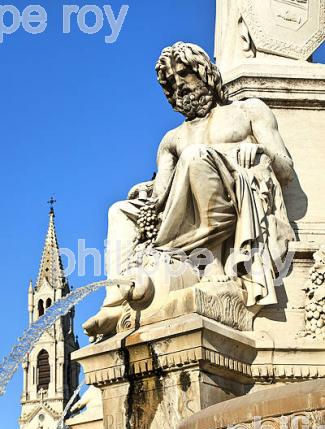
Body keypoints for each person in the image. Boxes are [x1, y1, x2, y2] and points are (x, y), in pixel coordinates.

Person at [83, 42, 294, 339]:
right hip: (181, 213)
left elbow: (284, 168)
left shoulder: (248, 111)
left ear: (204, 72)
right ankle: (118, 299)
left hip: (233, 208)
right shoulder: (172, 139)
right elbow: (160, 196)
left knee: (196, 156)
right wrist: (144, 193)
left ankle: (213, 268)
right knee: (118, 211)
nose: (179, 86)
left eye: (184, 74)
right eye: (171, 82)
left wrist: (256, 152)